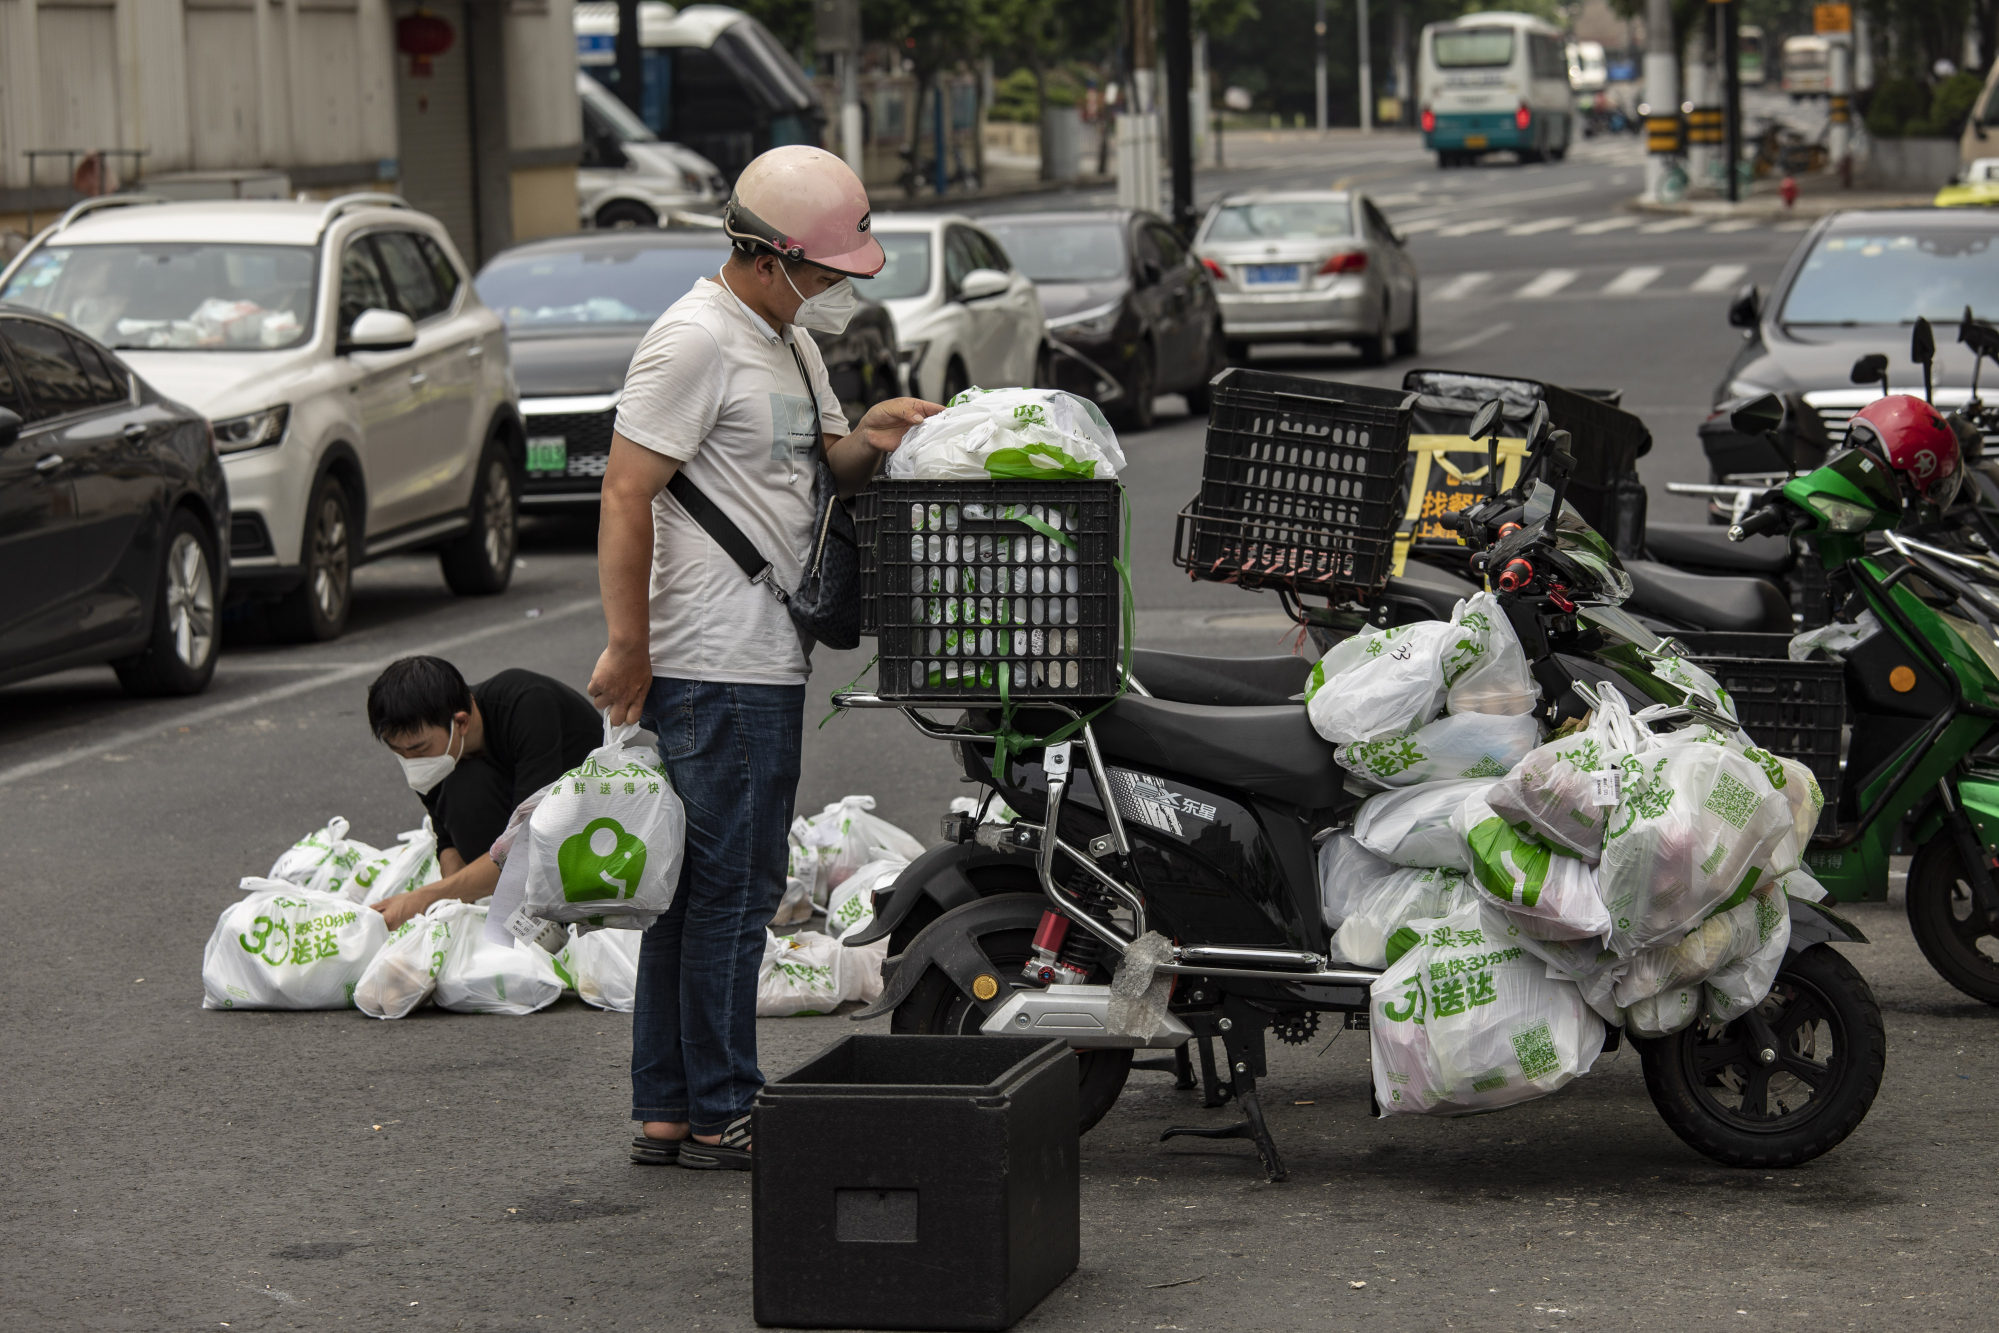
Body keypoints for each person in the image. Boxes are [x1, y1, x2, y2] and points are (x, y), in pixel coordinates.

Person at [587, 145, 942, 1171]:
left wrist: (871, 434)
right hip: (714, 657)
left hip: (761, 648)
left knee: (694, 892)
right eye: (826, 272)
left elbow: (815, 466)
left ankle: (668, 1105)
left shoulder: (783, 340)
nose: (836, 290)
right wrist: (628, 644)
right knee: (734, 895)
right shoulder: (694, 341)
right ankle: (723, 1107)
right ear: (768, 255)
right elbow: (624, 491)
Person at [366, 656, 601, 930]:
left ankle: (545, 913)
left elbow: (529, 842)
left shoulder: (527, 704)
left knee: (471, 791)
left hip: (593, 821)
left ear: (461, 722)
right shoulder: (435, 757)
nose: (411, 761)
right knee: (462, 789)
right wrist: (448, 908)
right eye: (398, 752)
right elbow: (448, 840)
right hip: (520, 830)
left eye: (418, 749)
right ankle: (512, 904)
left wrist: (425, 898)